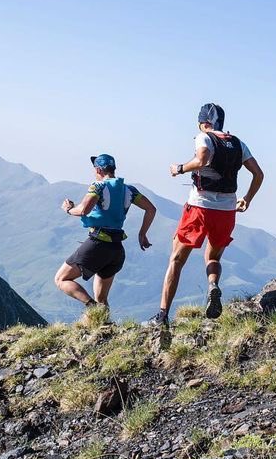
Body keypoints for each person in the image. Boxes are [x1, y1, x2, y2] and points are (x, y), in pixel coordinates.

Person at [149, 103, 264, 346]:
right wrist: (248, 199)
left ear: (204, 123)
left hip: (200, 207)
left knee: (176, 260)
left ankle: (162, 315)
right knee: (214, 257)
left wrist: (179, 168)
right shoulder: (238, 143)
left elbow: (201, 160)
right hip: (226, 210)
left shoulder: (204, 137)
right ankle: (213, 285)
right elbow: (259, 174)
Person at [56, 154, 156, 325]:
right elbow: (151, 209)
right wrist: (142, 234)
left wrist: (68, 209)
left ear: (98, 170)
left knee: (61, 279)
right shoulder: (129, 190)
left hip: (98, 244)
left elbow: (83, 211)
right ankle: (105, 328)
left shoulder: (98, 186)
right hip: (116, 249)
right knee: (102, 298)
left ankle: (91, 308)